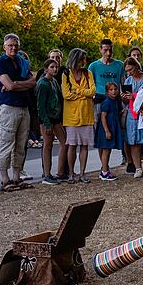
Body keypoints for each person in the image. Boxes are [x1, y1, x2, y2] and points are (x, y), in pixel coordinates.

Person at [0, 34, 35, 191]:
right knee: (6, 142)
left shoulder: (22, 62)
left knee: (20, 144)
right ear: (4, 47)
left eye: (15, 45)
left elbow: (33, 82)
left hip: (24, 106)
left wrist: (16, 84)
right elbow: (9, 86)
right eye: (10, 45)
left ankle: (16, 177)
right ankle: (4, 179)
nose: (13, 48)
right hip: (9, 107)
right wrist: (18, 85)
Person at [62, 48, 96, 184]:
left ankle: (82, 173)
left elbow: (93, 90)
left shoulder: (88, 73)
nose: (84, 62)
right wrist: (84, 94)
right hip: (71, 116)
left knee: (84, 146)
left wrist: (77, 91)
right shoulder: (66, 74)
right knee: (72, 145)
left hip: (86, 114)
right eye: (82, 59)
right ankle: (71, 173)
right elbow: (66, 94)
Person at [35, 59, 67, 185]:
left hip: (56, 117)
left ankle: (60, 171)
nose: (55, 69)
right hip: (47, 118)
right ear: (46, 69)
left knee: (64, 142)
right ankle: (47, 174)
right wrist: (46, 123)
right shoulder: (43, 84)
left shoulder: (54, 81)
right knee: (47, 145)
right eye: (52, 67)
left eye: (56, 67)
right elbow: (40, 106)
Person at [88, 38, 125, 131]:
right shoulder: (93, 66)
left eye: (110, 50)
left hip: (115, 99)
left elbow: (123, 83)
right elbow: (90, 85)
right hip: (99, 99)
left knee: (116, 125)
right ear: (100, 49)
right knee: (98, 125)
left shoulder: (119, 65)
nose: (108, 53)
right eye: (105, 50)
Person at [123, 57, 143, 177]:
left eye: (131, 69)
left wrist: (134, 96)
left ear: (137, 66)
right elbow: (125, 100)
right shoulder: (128, 80)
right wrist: (124, 96)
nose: (129, 73)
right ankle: (138, 167)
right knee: (133, 141)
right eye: (127, 70)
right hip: (132, 113)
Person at [94, 82, 123, 181]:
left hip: (113, 126)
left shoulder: (115, 101)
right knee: (106, 149)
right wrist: (107, 131)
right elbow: (103, 117)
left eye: (115, 89)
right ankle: (104, 172)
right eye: (111, 90)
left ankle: (105, 169)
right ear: (107, 91)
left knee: (108, 150)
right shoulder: (106, 102)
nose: (114, 91)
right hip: (107, 128)